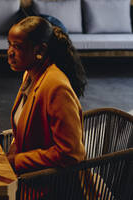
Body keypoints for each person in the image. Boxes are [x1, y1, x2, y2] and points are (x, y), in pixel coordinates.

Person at [6, 16, 87, 175]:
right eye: (9, 45)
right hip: (29, 176)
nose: (10, 53)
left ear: (40, 50)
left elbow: (71, 154)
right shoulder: (30, 75)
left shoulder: (56, 87)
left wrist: (17, 161)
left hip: (53, 186)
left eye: (17, 47)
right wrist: (13, 152)